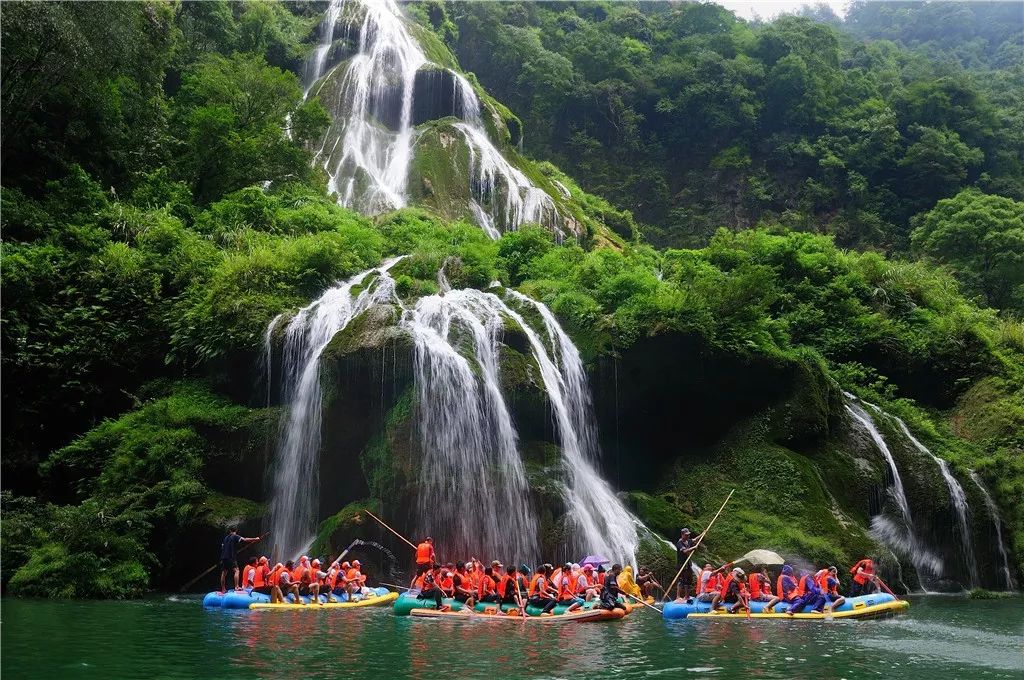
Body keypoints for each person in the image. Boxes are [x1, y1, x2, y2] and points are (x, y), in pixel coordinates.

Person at [219, 527, 260, 593]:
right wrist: (255, 539)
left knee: (224, 572)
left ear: (229, 531)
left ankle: (223, 589)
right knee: (237, 571)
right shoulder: (235, 536)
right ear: (236, 531)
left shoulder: (225, 538)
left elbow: (222, 547)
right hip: (231, 557)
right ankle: (236, 587)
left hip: (223, 557)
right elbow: (245, 539)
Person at [675, 528, 697, 600]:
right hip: (681, 565)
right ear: (682, 535)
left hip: (688, 564)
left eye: (688, 535)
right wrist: (693, 548)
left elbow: (695, 539)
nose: (688, 536)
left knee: (688, 581)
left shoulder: (688, 541)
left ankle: (687, 596)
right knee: (681, 580)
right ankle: (678, 596)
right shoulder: (679, 543)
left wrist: (703, 533)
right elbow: (685, 551)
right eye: (686, 535)